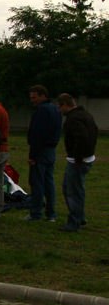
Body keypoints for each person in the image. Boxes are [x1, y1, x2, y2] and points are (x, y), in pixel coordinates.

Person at [56, 93, 98, 232]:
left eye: (60, 107)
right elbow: (93, 132)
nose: (59, 110)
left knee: (72, 190)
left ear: (64, 105)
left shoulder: (73, 119)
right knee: (75, 188)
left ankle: (74, 222)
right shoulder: (85, 115)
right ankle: (80, 217)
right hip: (86, 157)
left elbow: (81, 138)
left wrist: (78, 157)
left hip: (78, 160)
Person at [25, 84, 61, 222]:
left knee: (37, 182)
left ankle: (35, 213)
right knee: (49, 182)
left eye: (34, 97)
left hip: (40, 151)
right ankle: (51, 213)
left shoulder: (42, 111)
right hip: (51, 150)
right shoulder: (55, 109)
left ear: (42, 95)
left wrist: (33, 155)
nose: (32, 100)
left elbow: (37, 135)